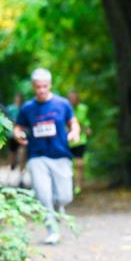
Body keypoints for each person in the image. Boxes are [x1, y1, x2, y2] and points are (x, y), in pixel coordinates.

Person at [13, 68, 80, 245]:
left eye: (44, 86)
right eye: (37, 87)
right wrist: (18, 135)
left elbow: (73, 122)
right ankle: (52, 230)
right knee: (43, 195)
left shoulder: (62, 104)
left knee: (65, 197)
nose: (41, 90)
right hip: (37, 156)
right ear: (33, 87)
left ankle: (58, 208)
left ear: (49, 85)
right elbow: (18, 127)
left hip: (60, 154)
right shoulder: (27, 108)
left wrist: (74, 132)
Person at [67, 90, 91, 194]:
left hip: (81, 139)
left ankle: (78, 185)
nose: (72, 100)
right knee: (69, 164)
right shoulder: (65, 108)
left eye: (74, 98)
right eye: (70, 98)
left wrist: (88, 128)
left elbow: (86, 121)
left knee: (79, 163)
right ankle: (70, 183)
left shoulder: (83, 108)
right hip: (68, 140)